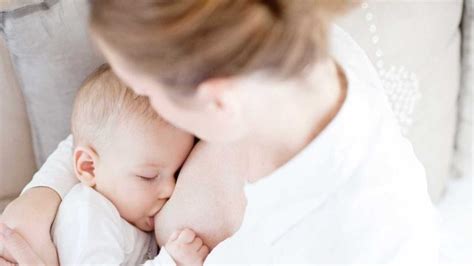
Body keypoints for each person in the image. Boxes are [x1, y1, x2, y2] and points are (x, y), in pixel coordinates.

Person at [0, 0, 439, 264]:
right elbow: (114, 125)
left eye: (146, 89)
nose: (138, 96)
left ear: (216, 102)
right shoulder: (282, 44)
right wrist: (42, 198)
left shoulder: (303, 242)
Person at [52, 64, 208, 265]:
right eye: (148, 176)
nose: (170, 189)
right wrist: (170, 262)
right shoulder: (89, 213)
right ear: (88, 167)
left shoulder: (128, 215)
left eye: (177, 174)